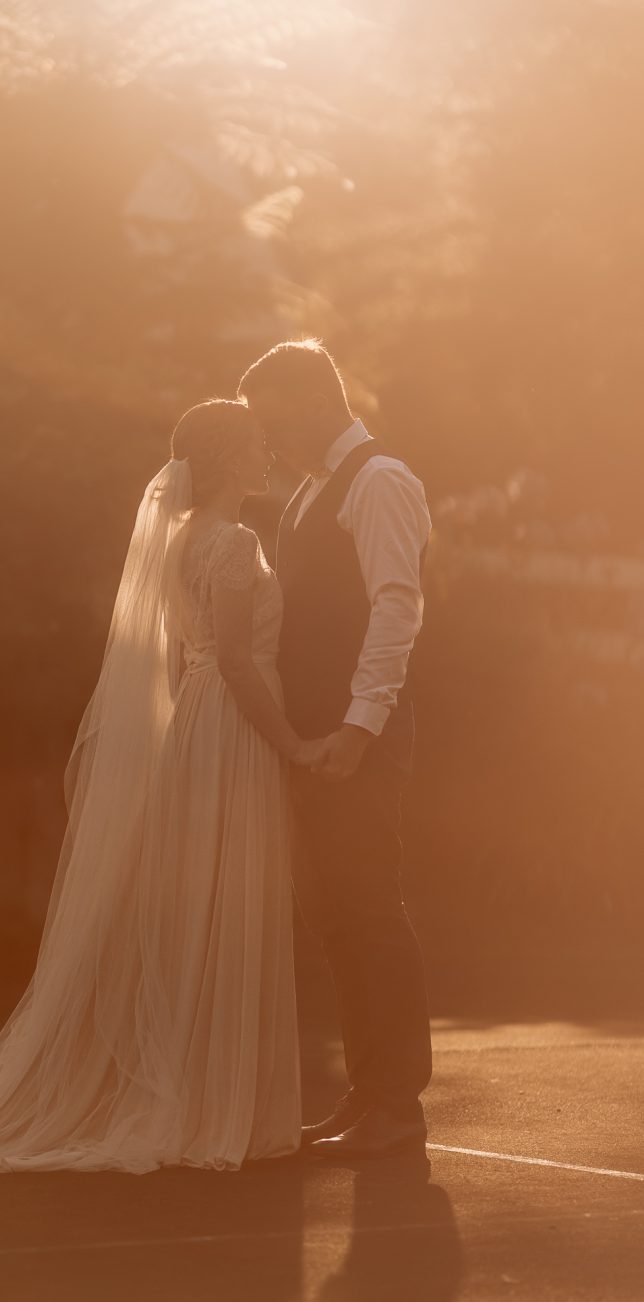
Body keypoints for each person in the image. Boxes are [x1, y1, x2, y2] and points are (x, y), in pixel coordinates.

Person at [0, 399, 326, 1175]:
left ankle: (212, 1105)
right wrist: (292, 744)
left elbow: (200, 653)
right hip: (235, 730)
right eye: (255, 444)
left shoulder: (183, 542)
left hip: (198, 723)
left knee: (208, 910)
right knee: (234, 906)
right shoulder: (238, 542)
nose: (269, 455)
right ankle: (229, 1115)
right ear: (222, 461)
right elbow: (243, 665)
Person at [238, 339, 433, 1161]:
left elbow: (396, 606)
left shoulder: (381, 480)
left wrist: (359, 727)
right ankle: (367, 1094)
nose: (271, 442)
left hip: (355, 734)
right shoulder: (314, 486)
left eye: (277, 423)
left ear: (318, 402)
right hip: (313, 734)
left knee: (368, 910)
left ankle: (399, 1105)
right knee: (335, 917)